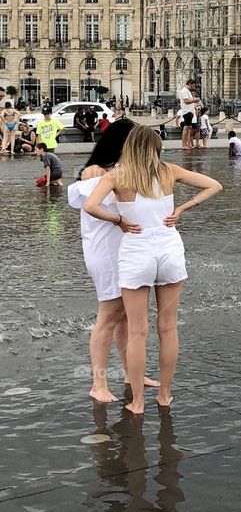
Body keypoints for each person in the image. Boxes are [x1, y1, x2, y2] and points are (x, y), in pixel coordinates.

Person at [83, 125, 222, 414]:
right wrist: (183, 208)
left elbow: (91, 207)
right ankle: (165, 395)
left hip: (137, 253)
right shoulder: (168, 170)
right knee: (168, 327)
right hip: (170, 251)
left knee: (137, 331)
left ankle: (137, 401)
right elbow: (214, 185)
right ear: (156, 147)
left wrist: (118, 219)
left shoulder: (117, 175)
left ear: (130, 146)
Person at [67, 119, 160, 404]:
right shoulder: (96, 172)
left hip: (123, 250)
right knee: (109, 316)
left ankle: (131, 373)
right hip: (105, 251)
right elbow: (88, 203)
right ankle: (98, 382)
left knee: (126, 318)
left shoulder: (118, 171)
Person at [178, 79, 199, 150]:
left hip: (189, 111)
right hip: (187, 111)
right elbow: (186, 101)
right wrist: (195, 100)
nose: (193, 88)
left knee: (189, 128)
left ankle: (187, 143)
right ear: (190, 84)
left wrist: (194, 99)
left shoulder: (187, 91)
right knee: (186, 128)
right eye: (193, 86)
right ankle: (183, 144)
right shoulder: (184, 91)